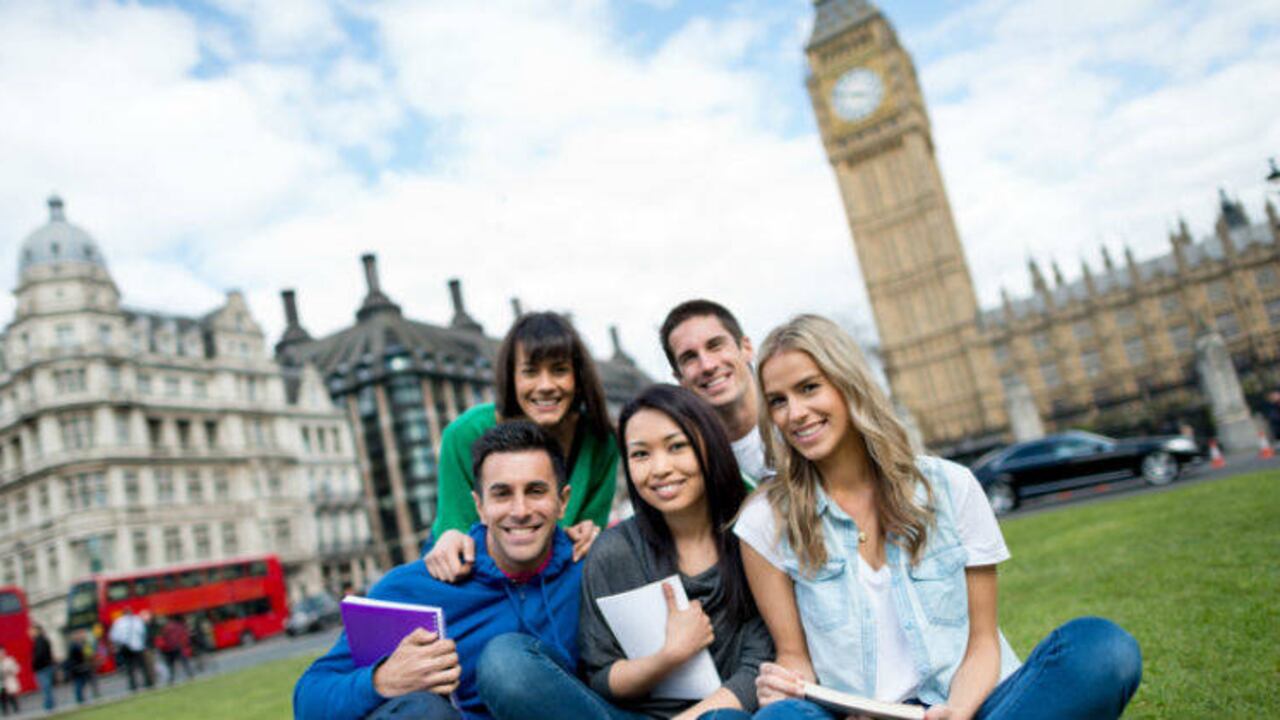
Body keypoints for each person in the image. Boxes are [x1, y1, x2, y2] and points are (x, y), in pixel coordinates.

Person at [733, 315, 1143, 720]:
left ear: (847, 383)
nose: (795, 413)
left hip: (971, 706)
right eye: (778, 401)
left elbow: (983, 643)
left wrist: (956, 712)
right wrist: (787, 688)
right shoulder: (765, 522)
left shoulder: (950, 486)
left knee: (1101, 649)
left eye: (809, 388)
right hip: (861, 718)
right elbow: (795, 658)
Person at [479, 384, 773, 720]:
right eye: (641, 454)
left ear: (709, 446)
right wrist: (669, 656)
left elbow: (759, 668)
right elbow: (603, 677)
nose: (659, 468)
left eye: (677, 446)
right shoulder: (614, 551)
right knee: (505, 662)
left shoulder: (752, 533)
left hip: (730, 713)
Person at [294, 421, 584, 720]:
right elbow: (308, 700)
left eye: (535, 491)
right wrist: (380, 681)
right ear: (480, 506)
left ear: (562, 502)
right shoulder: (410, 590)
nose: (520, 510)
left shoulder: (590, 570)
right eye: (502, 494)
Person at [426, 311, 618, 581]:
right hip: (475, 569)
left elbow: (589, 528)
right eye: (530, 372)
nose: (546, 386)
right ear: (511, 378)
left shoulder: (601, 440)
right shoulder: (464, 433)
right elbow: (456, 532)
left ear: (578, 376)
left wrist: (589, 533)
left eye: (559, 370)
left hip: (555, 569)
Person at [660, 300, 767, 483]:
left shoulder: (802, 418)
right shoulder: (693, 467)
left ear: (746, 348)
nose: (707, 366)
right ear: (679, 378)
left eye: (715, 345)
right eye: (689, 357)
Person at [108, 606, 154, 690]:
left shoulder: (118, 622)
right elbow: (143, 632)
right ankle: (148, 683)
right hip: (138, 647)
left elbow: (113, 636)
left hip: (125, 648)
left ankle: (133, 685)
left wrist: (122, 642)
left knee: (130, 668)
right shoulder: (137, 620)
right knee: (143, 666)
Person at [158, 616, 195, 684]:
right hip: (178, 646)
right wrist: (185, 644)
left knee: (171, 665)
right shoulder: (179, 626)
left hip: (170, 648)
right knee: (185, 662)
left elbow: (163, 638)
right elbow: (184, 635)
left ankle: (171, 679)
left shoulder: (166, 628)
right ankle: (190, 675)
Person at [29, 624, 55, 711]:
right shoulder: (44, 640)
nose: (29, 633)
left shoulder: (39, 641)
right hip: (47, 666)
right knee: (47, 687)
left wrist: (34, 664)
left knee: (45, 688)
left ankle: (49, 706)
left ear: (36, 631)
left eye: (31, 631)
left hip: (42, 668)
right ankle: (50, 705)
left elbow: (39, 656)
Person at [66, 629, 94, 704]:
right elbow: (80, 655)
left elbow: (88, 653)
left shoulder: (80, 644)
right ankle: (79, 699)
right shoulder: (74, 646)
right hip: (77, 668)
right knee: (79, 683)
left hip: (80, 667)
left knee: (82, 682)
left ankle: (81, 698)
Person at [0, 647, 20, 715]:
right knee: (2, 697)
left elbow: (17, 669)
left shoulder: (9, 660)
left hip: (9, 680)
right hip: (1, 683)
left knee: (11, 695)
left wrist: (9, 671)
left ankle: (16, 708)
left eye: (2, 653)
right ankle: (5, 711)